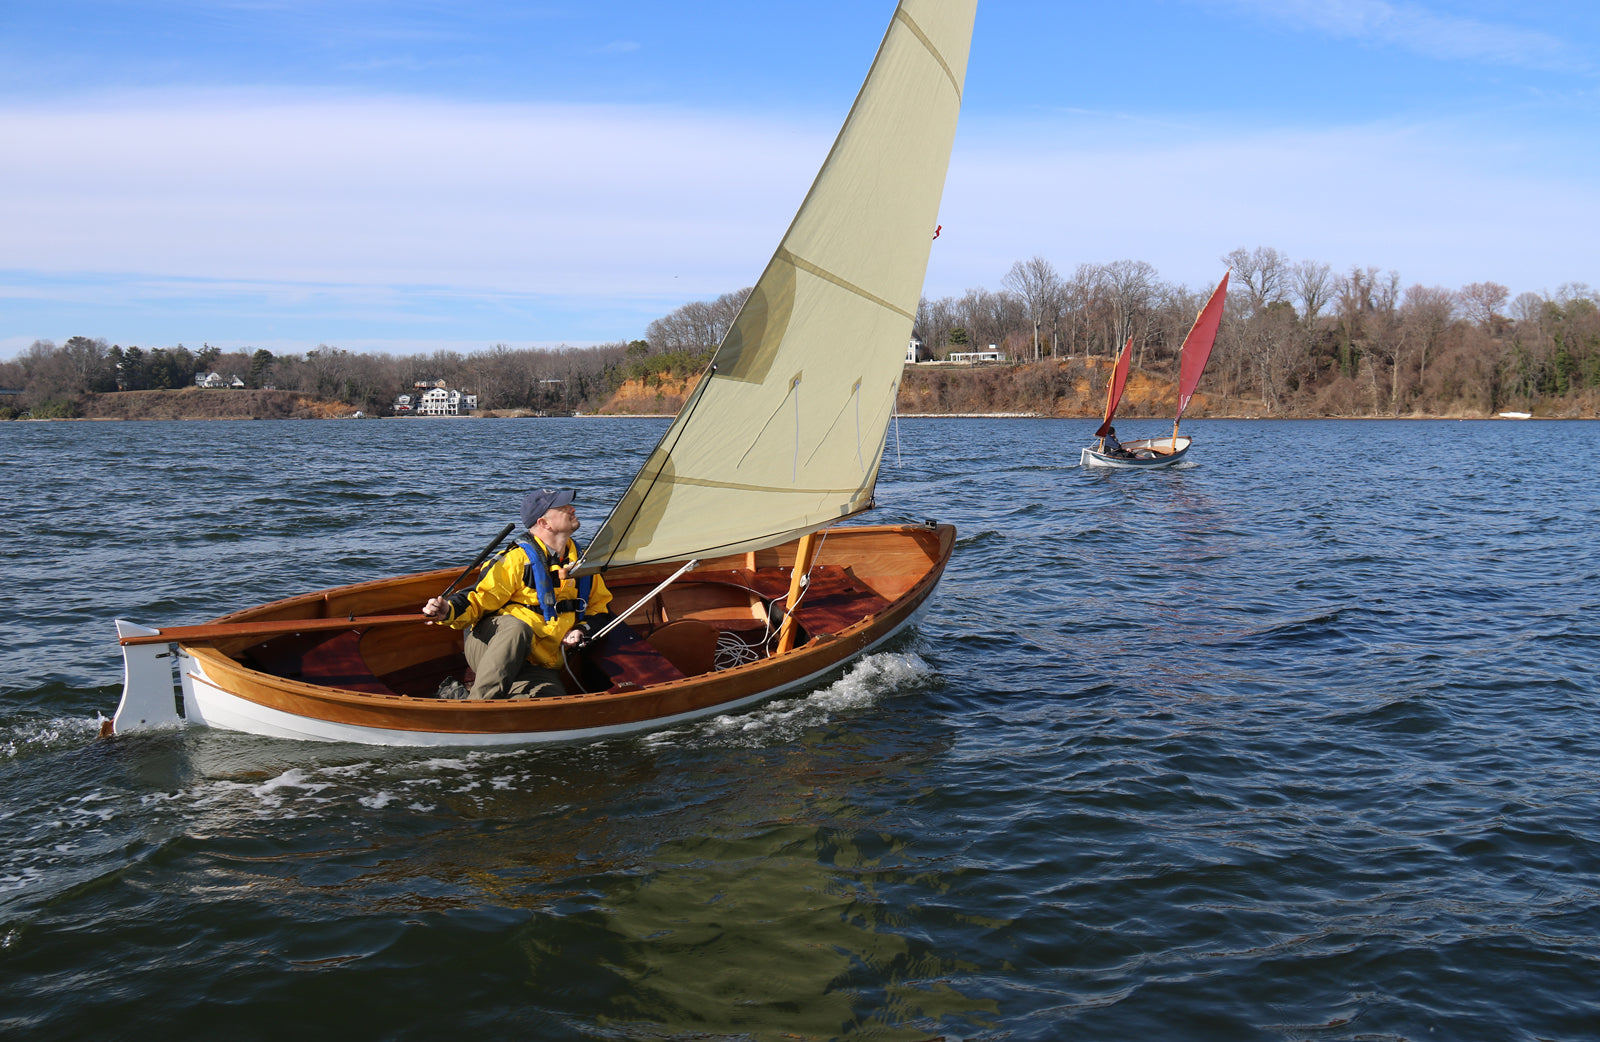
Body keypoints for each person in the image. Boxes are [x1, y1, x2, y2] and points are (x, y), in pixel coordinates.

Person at [423, 488, 613, 700]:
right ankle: (476, 708)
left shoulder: (583, 562)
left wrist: (581, 628)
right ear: (544, 523)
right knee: (517, 628)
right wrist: (447, 610)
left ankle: (458, 698)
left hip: (537, 663)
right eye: (563, 507)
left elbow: (600, 609)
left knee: (548, 703)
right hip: (489, 648)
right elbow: (477, 599)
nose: (573, 509)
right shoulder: (515, 559)